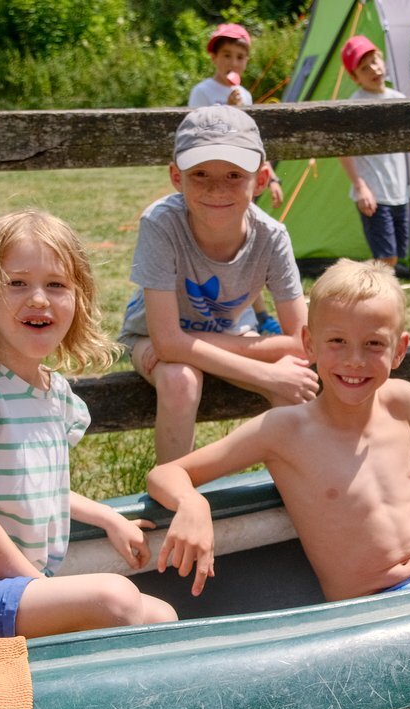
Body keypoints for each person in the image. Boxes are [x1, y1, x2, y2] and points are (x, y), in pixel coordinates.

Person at [146, 259, 410, 601]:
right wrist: (192, 504)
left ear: (399, 349)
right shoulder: (282, 430)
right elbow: (165, 474)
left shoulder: (402, 401)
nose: (354, 360)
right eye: (337, 342)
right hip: (378, 608)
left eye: (374, 344)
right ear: (309, 344)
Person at [0, 210, 178, 647]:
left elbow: (39, 485)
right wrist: (39, 587)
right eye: (17, 283)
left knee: (163, 613)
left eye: (56, 285)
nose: (39, 299)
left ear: (78, 298)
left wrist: (108, 518)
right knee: (112, 597)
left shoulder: (53, 392)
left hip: (9, 592)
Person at [118, 105, 319, 464]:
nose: (216, 188)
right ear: (176, 177)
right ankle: (171, 491)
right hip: (147, 338)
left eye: (233, 175)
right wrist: (266, 374)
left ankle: (295, 493)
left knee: (297, 381)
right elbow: (164, 340)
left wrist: (185, 346)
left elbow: (301, 341)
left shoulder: (272, 237)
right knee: (181, 381)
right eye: (200, 174)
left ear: (260, 180)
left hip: (227, 333)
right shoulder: (162, 224)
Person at [337, 35, 410, 278]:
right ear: (354, 77)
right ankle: (354, 282)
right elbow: (343, 149)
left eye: (375, 61)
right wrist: (360, 187)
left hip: (398, 192)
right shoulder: (355, 106)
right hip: (374, 194)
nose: (374, 69)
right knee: (387, 256)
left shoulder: (397, 100)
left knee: (394, 255)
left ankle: (361, 283)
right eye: (364, 67)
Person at [187, 22, 285, 210]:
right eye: (226, 55)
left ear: (247, 60)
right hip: (211, 175)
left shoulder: (245, 95)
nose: (233, 63)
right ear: (214, 57)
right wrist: (228, 112)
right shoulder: (202, 92)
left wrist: (272, 179)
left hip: (241, 174)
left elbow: (251, 139)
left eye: (240, 57)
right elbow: (196, 136)